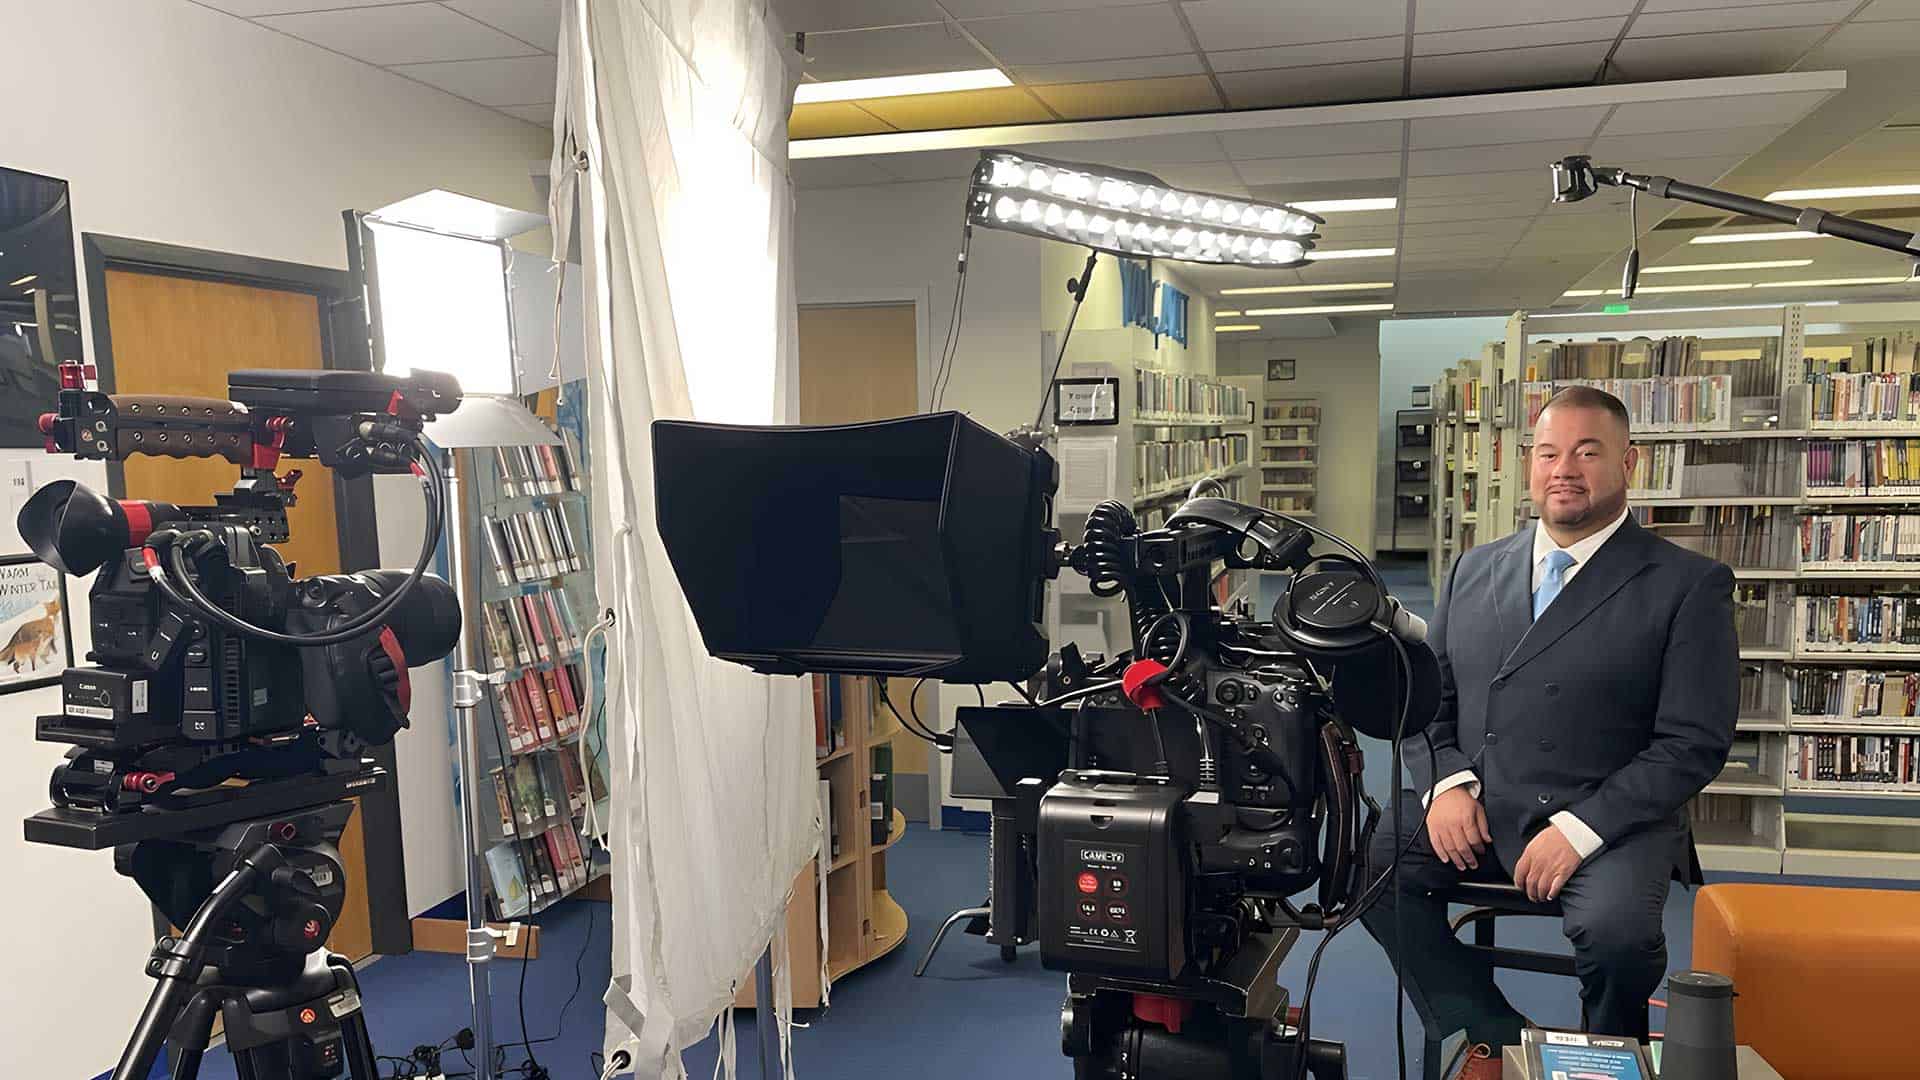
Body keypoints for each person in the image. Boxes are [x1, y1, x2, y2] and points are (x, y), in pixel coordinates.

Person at [1361, 385, 1738, 1079]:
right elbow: (1426, 701)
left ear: (1630, 463)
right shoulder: (1476, 567)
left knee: (1620, 938)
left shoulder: (1688, 585)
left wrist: (1581, 830)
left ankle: (1605, 1062)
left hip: (1608, 819)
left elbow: (1694, 742)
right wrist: (1446, 781)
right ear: (1527, 463)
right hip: (1478, 806)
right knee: (1365, 872)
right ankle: (1501, 1037)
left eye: (1588, 452)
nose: (1564, 468)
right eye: (1548, 452)